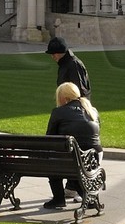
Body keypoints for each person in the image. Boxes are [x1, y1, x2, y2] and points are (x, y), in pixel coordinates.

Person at [43, 81, 100, 210]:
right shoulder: (93, 110)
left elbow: (49, 138)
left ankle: (58, 199)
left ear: (63, 98)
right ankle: (87, 197)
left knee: (58, 162)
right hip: (93, 158)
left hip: (70, 161)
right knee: (73, 163)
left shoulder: (59, 112)